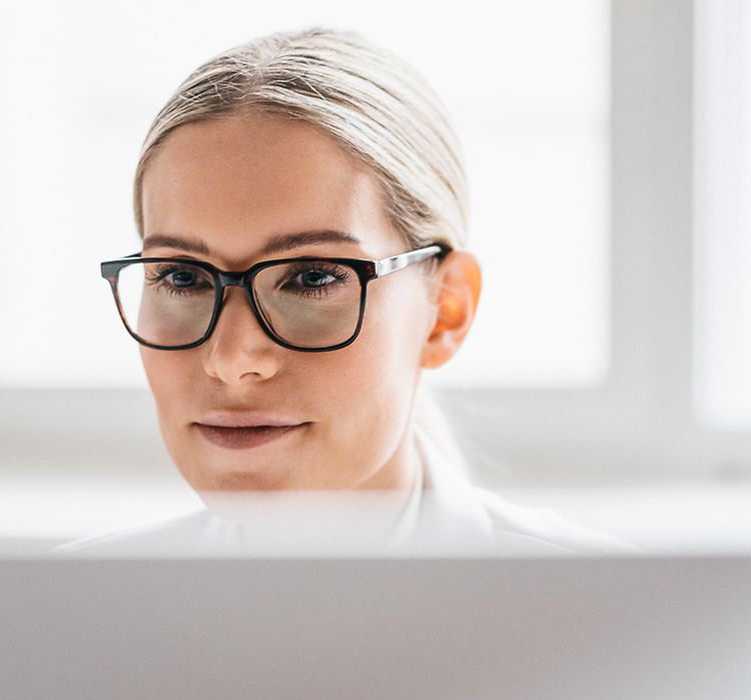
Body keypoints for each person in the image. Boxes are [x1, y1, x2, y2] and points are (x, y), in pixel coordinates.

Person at [55, 25, 636, 557]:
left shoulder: (617, 617)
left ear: (445, 312)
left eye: (312, 278)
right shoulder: (58, 620)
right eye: (183, 277)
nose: (232, 361)